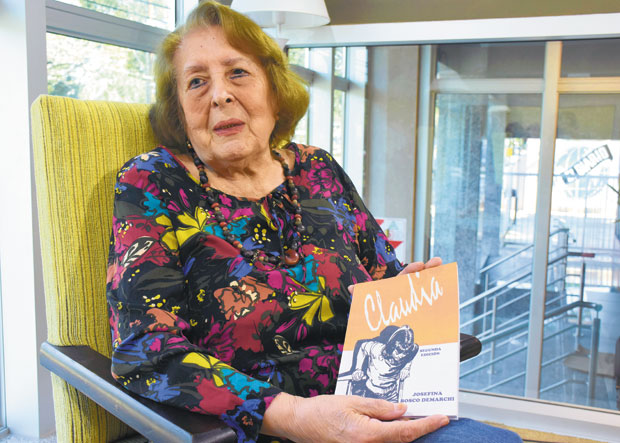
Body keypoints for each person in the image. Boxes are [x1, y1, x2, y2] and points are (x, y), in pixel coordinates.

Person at [106, 2, 522, 442]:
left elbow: (383, 279)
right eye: (196, 81)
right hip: (252, 428)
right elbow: (144, 350)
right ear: (178, 110)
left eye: (238, 73)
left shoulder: (318, 168)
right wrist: (293, 415)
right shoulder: (154, 182)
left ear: (274, 90)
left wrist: (408, 300)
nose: (220, 95)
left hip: (375, 410)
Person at [345, 325, 419, 402]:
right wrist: (358, 369)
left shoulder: (411, 351)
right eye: (399, 352)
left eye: (405, 353)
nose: (401, 356)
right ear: (392, 346)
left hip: (391, 395)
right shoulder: (377, 350)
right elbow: (363, 347)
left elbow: (412, 353)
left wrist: (406, 368)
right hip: (371, 394)